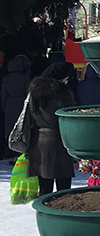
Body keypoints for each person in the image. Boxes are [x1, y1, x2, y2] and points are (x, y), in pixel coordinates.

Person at [27, 62, 76, 196]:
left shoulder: (34, 91)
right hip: (59, 140)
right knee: (64, 187)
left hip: (38, 141)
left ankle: (44, 212)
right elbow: (69, 114)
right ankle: (62, 214)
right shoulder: (61, 93)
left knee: (44, 186)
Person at [1, 54, 31, 147]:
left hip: (10, 103)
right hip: (23, 102)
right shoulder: (26, 77)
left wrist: (4, 106)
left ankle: (10, 147)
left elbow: (3, 95)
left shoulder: (6, 78)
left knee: (10, 126)